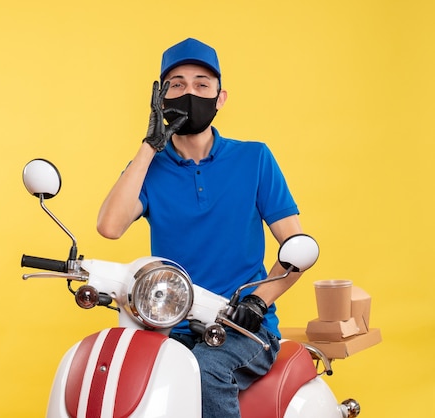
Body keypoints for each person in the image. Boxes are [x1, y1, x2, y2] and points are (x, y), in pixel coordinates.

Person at [97, 38, 306, 417]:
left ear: (220, 97)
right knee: (118, 370)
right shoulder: (150, 169)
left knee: (205, 371)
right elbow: (110, 227)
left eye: (201, 84)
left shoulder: (254, 158)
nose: (189, 92)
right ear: (161, 99)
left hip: (243, 327)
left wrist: (258, 302)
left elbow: (297, 248)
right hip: (167, 323)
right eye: (176, 84)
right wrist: (148, 147)